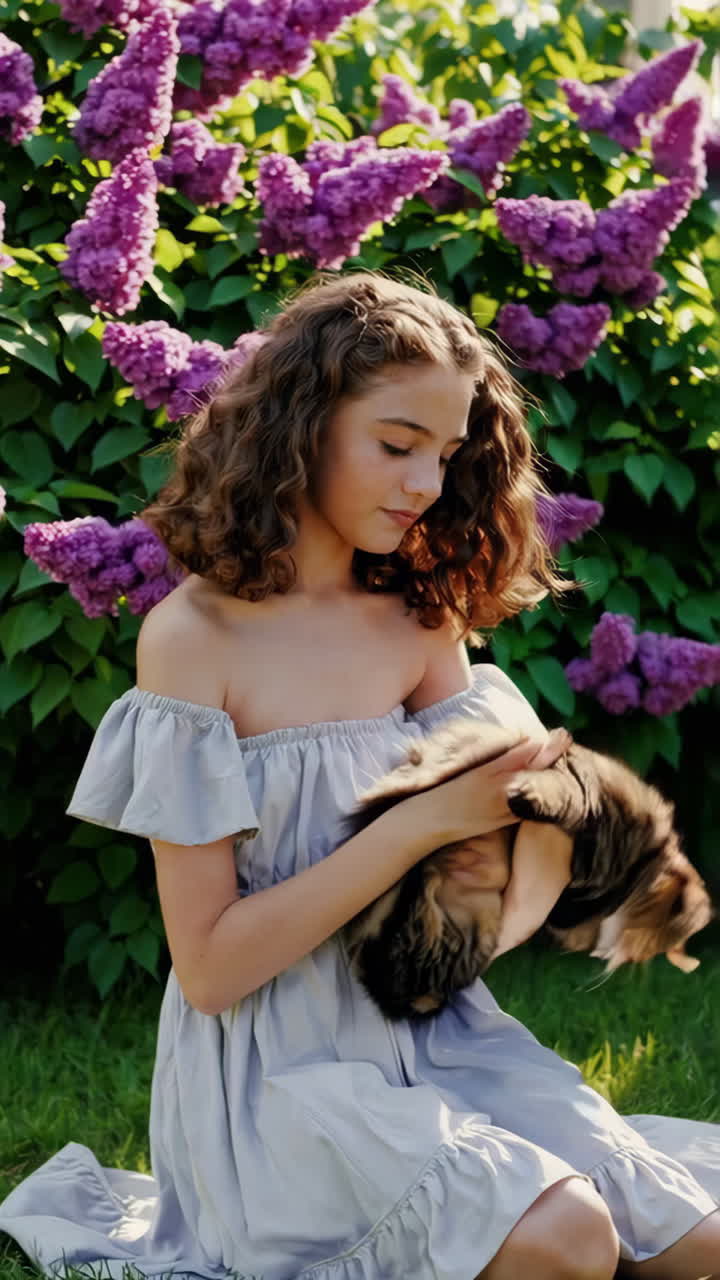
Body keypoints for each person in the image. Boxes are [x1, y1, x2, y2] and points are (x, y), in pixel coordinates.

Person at [1, 269, 719, 1280]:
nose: (426, 482)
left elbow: (491, 881)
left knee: (694, 1241)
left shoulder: (418, 618)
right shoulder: (193, 640)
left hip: (432, 1030)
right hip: (278, 1076)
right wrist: (421, 825)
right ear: (300, 426)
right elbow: (209, 968)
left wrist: (552, 846)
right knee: (572, 1240)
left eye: (446, 453)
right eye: (396, 444)